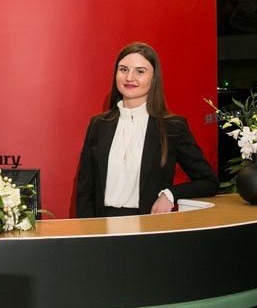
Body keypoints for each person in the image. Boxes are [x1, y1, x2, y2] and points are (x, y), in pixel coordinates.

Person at [76, 41, 218, 218]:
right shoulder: (98, 125)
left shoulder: (172, 127)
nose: (129, 77)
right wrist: (87, 230)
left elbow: (208, 182)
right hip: (101, 226)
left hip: (149, 226)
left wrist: (170, 195)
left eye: (140, 71)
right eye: (123, 69)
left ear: (154, 78)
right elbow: (85, 190)